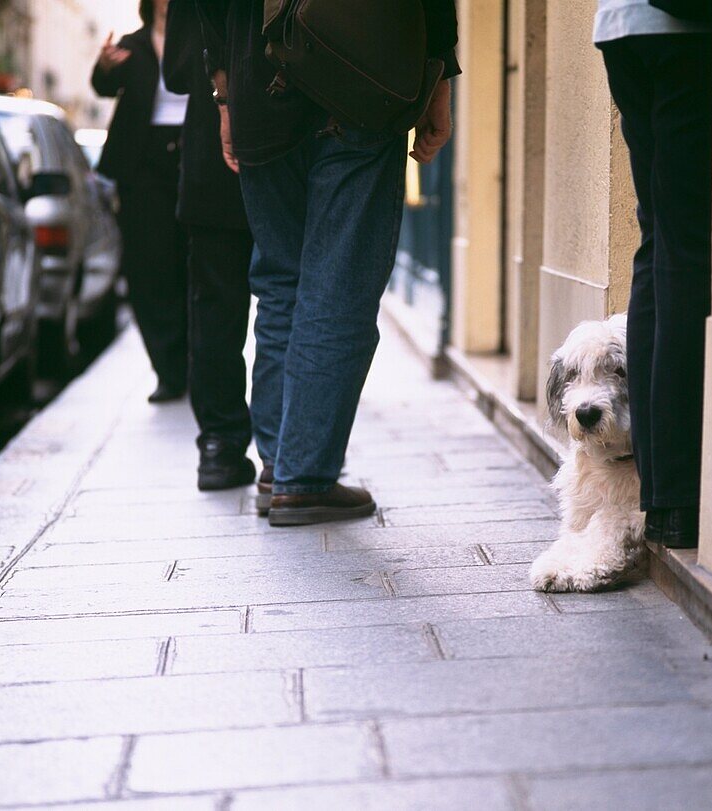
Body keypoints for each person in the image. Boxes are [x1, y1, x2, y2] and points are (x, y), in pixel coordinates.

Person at [205, 1, 458, 526]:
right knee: (337, 288)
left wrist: (225, 95)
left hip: (257, 81)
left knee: (281, 283)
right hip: (356, 76)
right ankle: (303, 479)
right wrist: (438, 73)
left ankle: (279, 467)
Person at [595, 0, 712, 549]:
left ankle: (662, 489)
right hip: (683, 29)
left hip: (622, 26)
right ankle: (680, 498)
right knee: (685, 247)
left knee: (659, 240)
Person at [162, 0, 257, 490]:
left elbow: (179, 72)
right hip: (295, 151)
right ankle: (294, 448)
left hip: (215, 168)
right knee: (295, 300)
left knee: (216, 308)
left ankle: (220, 445)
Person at [91, 0, 190, 404]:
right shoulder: (133, 44)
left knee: (194, 263)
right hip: (143, 160)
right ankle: (168, 369)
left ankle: (197, 362)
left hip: (193, 152)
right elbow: (102, 87)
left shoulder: (202, 37)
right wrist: (104, 67)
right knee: (150, 267)